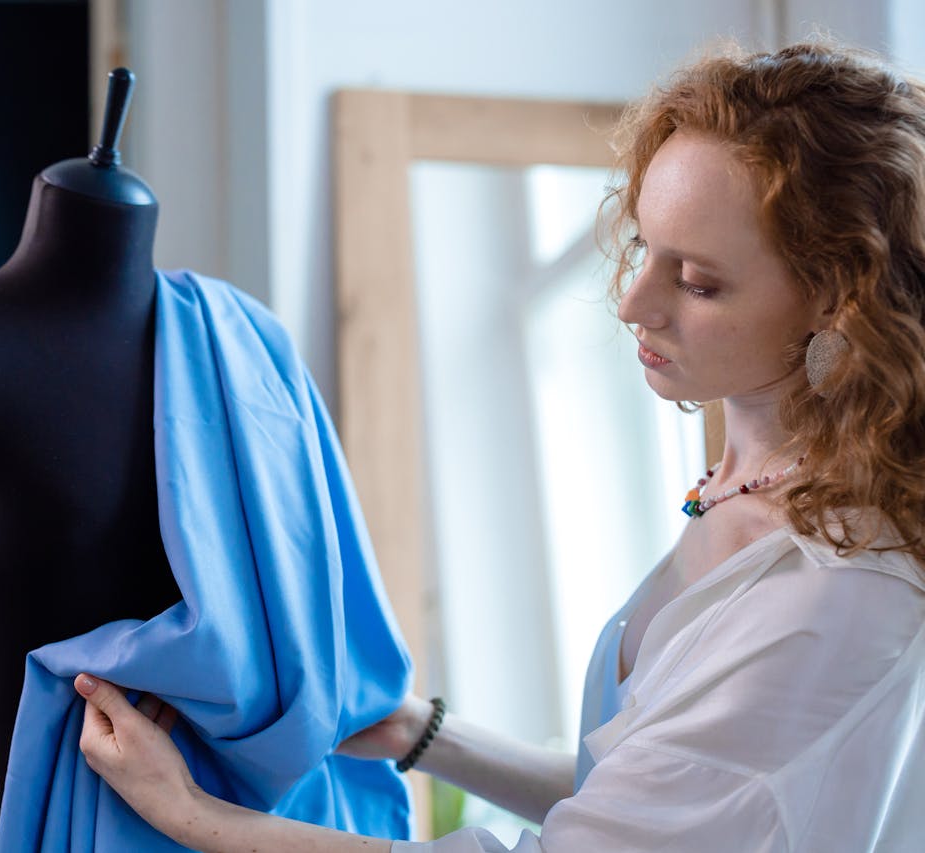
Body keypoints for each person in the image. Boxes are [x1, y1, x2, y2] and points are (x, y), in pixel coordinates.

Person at [67, 41, 925, 851]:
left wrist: (193, 816)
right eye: (641, 248)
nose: (633, 302)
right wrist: (422, 734)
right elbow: (642, 796)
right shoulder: (744, 484)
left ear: (835, 299)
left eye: (698, 281)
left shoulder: (833, 592)